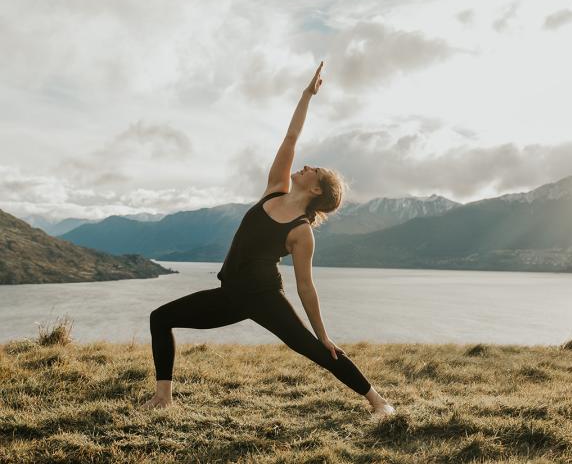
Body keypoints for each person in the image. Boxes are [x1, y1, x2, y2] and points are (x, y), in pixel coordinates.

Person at [142, 61, 395, 418]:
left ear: (317, 188)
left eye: (314, 170)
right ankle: (164, 397)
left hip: (264, 299)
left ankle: (378, 401)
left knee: (317, 350)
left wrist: (322, 332)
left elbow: (306, 288)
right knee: (160, 318)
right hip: (230, 294)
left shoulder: (301, 231)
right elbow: (290, 138)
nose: (306, 166)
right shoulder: (275, 189)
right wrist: (307, 96)